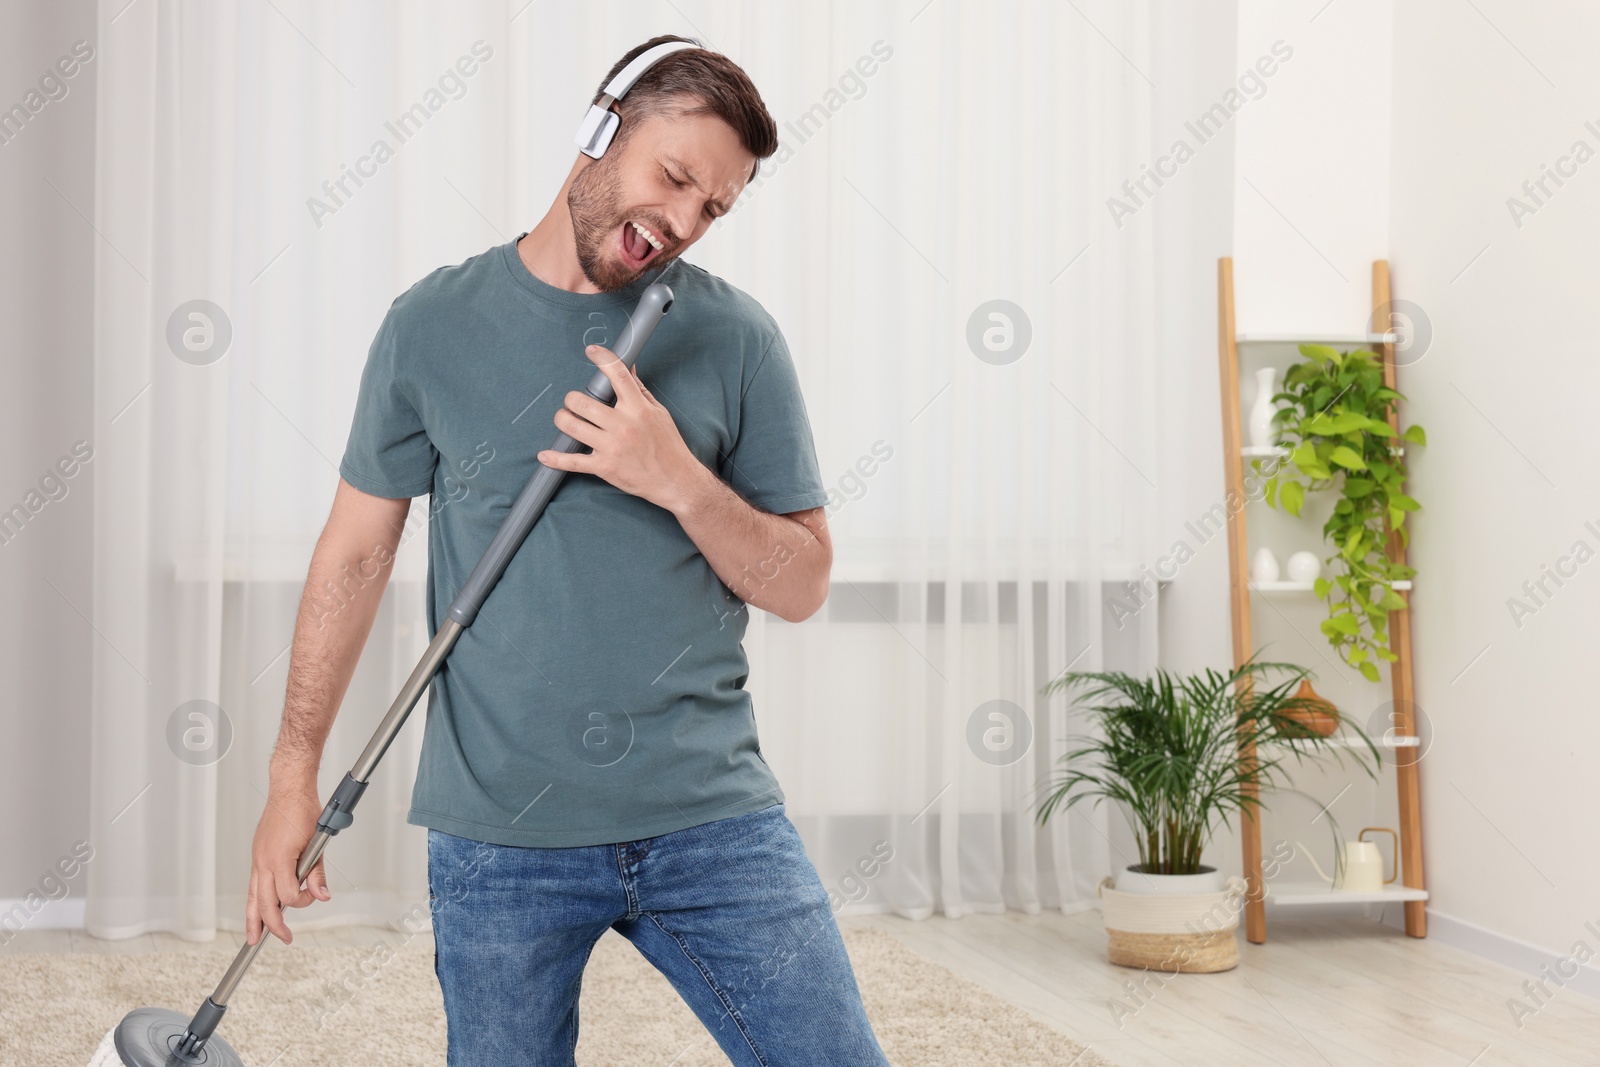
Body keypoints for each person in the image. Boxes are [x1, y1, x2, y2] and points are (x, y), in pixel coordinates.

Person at [244, 33, 892, 1066]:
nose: (681, 223)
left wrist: (673, 473)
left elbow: (803, 585)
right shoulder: (431, 326)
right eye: (674, 177)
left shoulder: (735, 339)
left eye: (712, 208)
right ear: (600, 130)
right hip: (500, 834)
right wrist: (292, 776)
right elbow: (354, 556)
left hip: (709, 817)